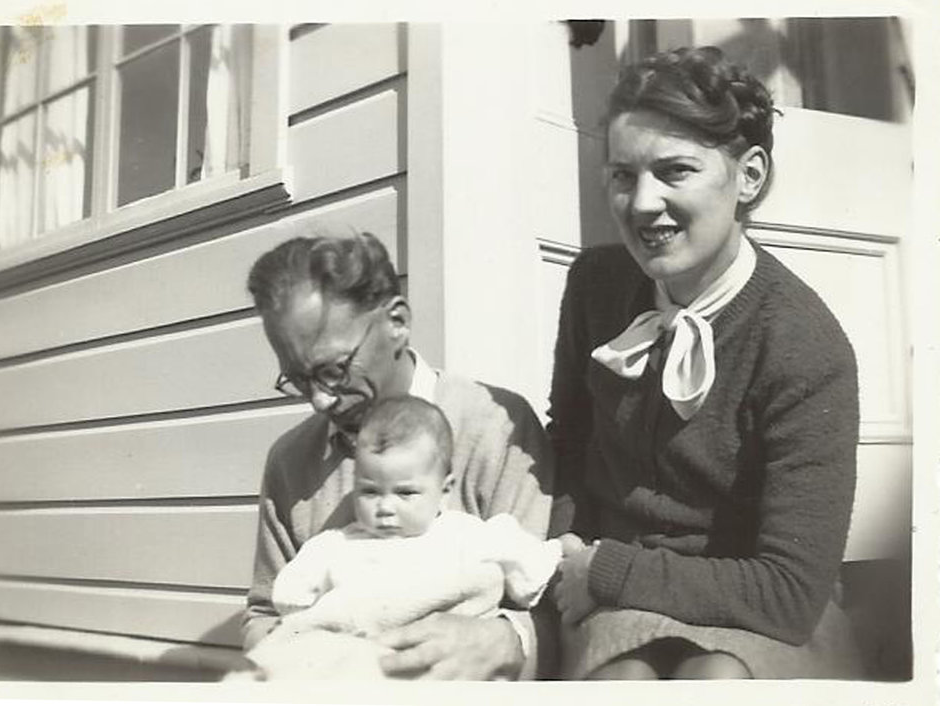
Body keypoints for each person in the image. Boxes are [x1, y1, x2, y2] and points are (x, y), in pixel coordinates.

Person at [548, 46, 863, 679]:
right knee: (623, 683)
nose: (641, 203)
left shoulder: (802, 343)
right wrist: (570, 552)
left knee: (714, 681)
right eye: (621, 175)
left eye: (675, 171)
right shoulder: (596, 287)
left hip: (752, 605)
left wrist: (610, 570)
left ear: (748, 175)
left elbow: (789, 593)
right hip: (613, 589)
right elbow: (570, 441)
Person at [242, 231, 556, 680]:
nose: (320, 402)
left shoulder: (495, 426)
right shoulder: (291, 461)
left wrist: (510, 639)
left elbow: (545, 591)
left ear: (397, 322)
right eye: (298, 380)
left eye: (333, 370)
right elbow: (263, 612)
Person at [239, 396, 562, 680]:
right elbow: (289, 598)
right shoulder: (336, 544)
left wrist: (558, 554)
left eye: (405, 493)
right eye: (369, 491)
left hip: (443, 663)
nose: (385, 508)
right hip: (359, 662)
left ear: (444, 490)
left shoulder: (466, 533)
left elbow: (530, 567)